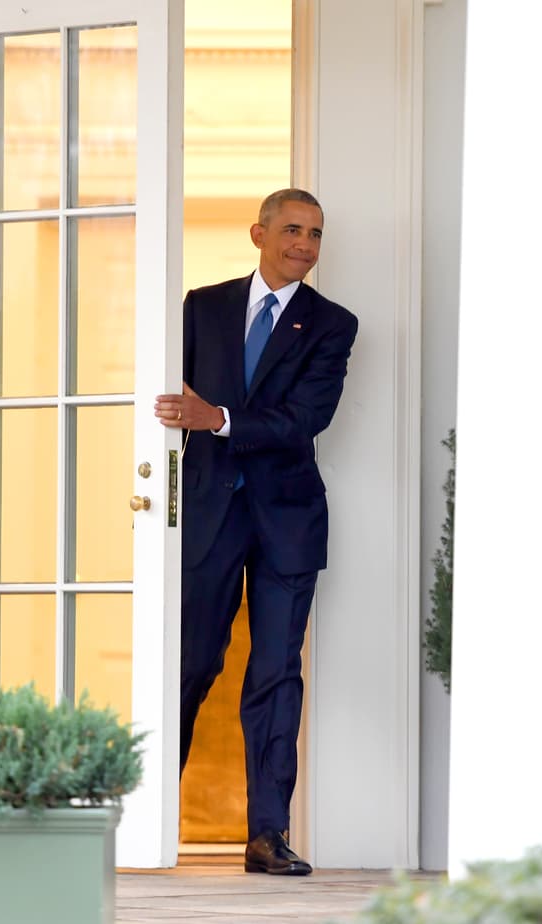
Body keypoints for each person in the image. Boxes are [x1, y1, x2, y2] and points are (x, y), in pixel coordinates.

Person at [154, 188, 358, 876]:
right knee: (186, 666)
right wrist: (194, 420)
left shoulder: (332, 324)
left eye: (316, 234)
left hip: (287, 524)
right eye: (294, 229)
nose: (305, 244)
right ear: (259, 233)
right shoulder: (199, 308)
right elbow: (165, 399)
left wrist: (219, 421)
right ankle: (145, 819)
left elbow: (306, 419)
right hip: (209, 516)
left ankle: (267, 836)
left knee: (274, 675)